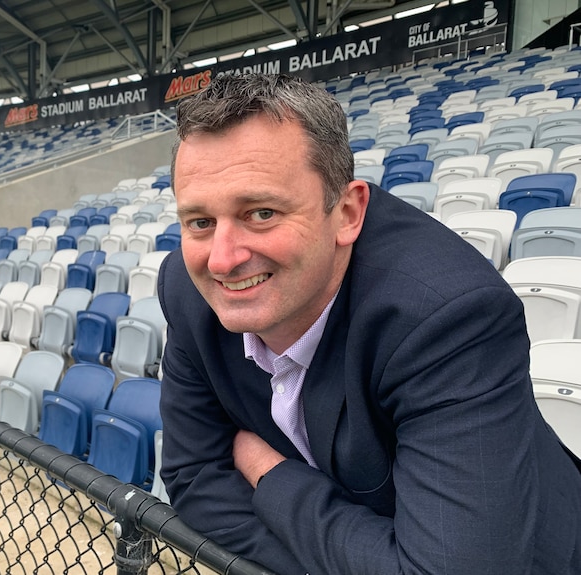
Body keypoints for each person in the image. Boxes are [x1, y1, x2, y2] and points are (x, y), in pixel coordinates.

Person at [157, 72, 581, 575]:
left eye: (262, 213)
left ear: (348, 212)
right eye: (200, 222)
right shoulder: (189, 290)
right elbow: (193, 477)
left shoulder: (447, 316)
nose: (222, 260)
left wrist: (270, 476)